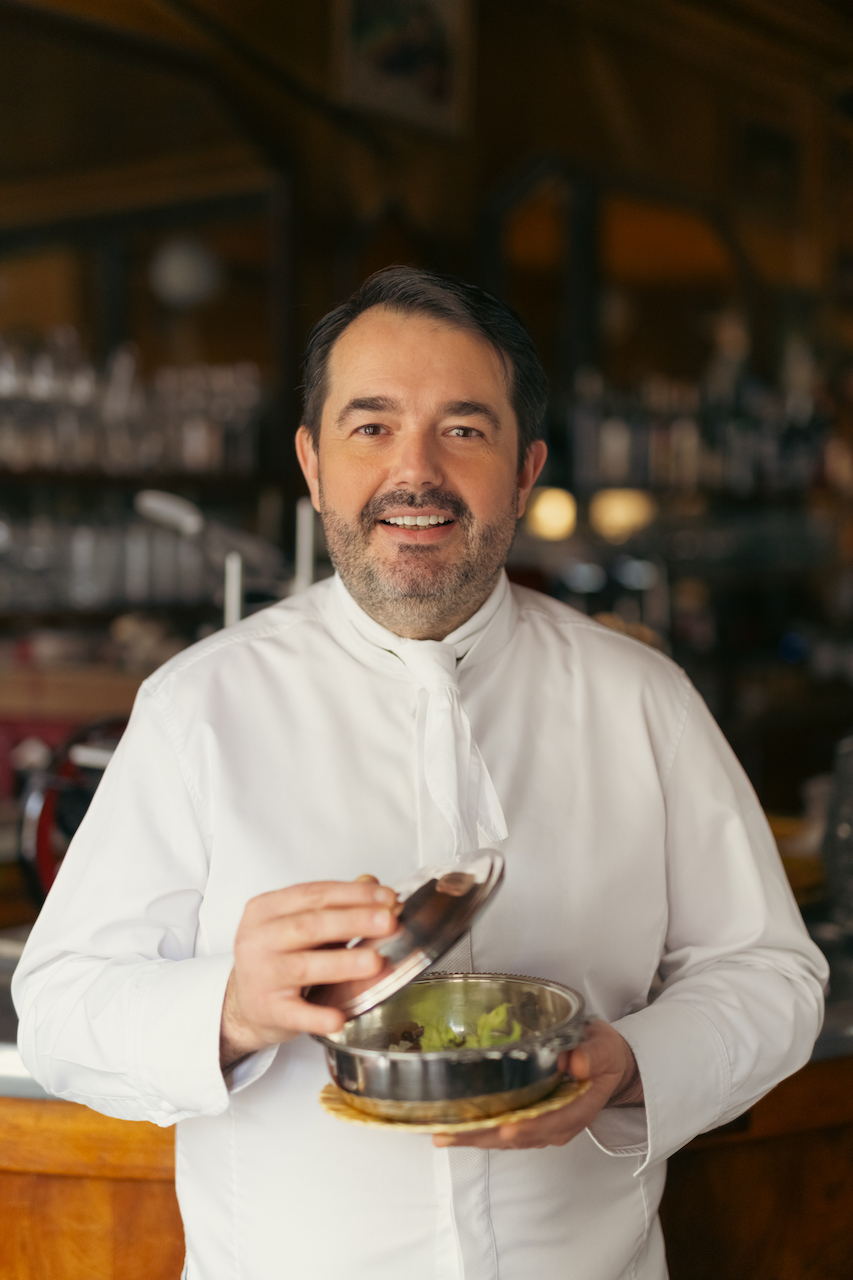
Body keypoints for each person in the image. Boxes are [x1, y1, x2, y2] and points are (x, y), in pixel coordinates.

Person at [14, 268, 827, 1280]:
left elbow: (769, 972)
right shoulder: (198, 704)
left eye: (463, 429)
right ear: (313, 465)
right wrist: (230, 1006)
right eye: (371, 427)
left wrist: (632, 1065)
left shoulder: (641, 697)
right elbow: (61, 1009)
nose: (415, 471)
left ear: (524, 472)